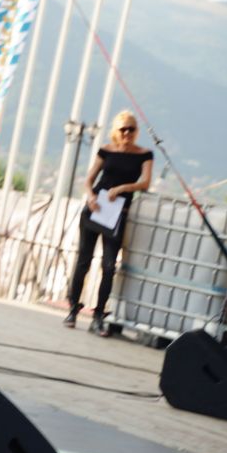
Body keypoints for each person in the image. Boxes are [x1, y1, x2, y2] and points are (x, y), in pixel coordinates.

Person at [64, 110, 153, 336]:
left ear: (136, 131)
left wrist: (122, 188)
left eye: (131, 129)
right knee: (83, 260)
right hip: (96, 209)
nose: (127, 133)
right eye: (123, 129)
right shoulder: (106, 150)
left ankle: (98, 315)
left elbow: (145, 182)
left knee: (109, 265)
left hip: (118, 213)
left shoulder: (144, 154)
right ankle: (73, 308)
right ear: (116, 130)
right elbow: (89, 180)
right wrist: (90, 197)